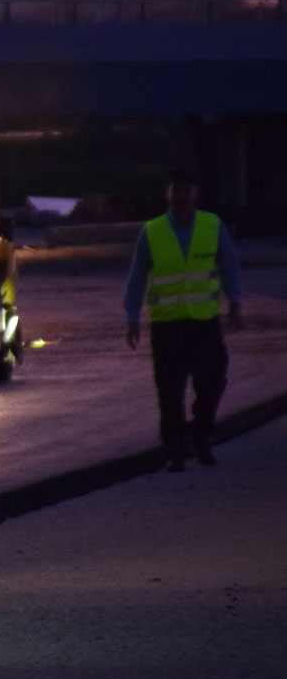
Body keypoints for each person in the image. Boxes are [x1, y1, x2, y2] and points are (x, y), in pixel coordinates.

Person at [123, 168, 243, 471]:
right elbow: (137, 276)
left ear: (195, 194)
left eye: (186, 190)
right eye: (175, 190)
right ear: (169, 194)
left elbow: (229, 265)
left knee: (213, 381)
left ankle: (202, 435)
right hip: (168, 326)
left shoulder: (211, 225)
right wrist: (132, 316)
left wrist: (235, 303)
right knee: (170, 392)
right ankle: (176, 450)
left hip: (205, 323)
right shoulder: (152, 231)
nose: (180, 196)